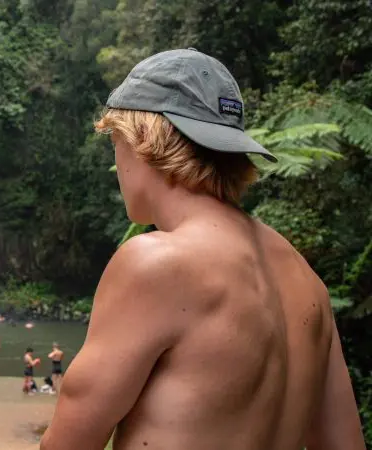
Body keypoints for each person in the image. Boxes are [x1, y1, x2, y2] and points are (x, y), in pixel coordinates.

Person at [40, 48, 365, 450]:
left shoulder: (155, 263)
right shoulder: (306, 281)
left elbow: (68, 444)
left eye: (114, 143)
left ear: (139, 140)